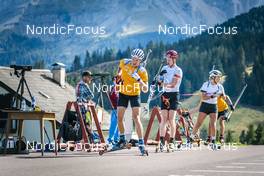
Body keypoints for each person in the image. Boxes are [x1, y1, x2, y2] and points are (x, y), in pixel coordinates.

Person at [113, 48, 149, 155]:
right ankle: (122, 139)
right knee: (119, 117)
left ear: (141, 61)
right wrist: (118, 79)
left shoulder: (142, 71)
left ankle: (141, 143)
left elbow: (145, 89)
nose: (134, 61)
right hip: (123, 93)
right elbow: (119, 72)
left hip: (134, 94)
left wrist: (139, 80)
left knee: (136, 118)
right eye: (133, 59)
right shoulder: (124, 62)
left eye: (137, 60)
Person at [190, 70, 225, 149]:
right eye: (218, 77)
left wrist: (222, 95)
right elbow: (204, 97)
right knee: (199, 123)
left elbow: (224, 97)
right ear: (213, 77)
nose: (219, 79)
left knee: (213, 124)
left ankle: (213, 142)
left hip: (213, 106)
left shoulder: (220, 86)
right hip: (205, 105)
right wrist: (213, 95)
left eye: (219, 77)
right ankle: (190, 139)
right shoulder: (206, 84)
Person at [157, 50, 182, 152]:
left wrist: (162, 84)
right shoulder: (164, 68)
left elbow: (173, 84)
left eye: (169, 58)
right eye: (167, 58)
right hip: (165, 94)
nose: (167, 60)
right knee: (164, 119)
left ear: (174, 59)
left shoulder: (178, 70)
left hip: (174, 94)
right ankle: (162, 141)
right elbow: (160, 82)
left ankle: (171, 141)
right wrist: (158, 80)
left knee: (171, 119)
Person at [76, 71, 95, 143]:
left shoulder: (78, 84)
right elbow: (91, 95)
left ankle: (78, 140)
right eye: (89, 77)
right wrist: (87, 100)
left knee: (81, 124)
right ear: (84, 77)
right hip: (84, 107)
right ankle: (91, 140)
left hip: (79, 106)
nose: (90, 79)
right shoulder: (84, 85)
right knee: (87, 123)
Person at [107, 77, 119, 145]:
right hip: (115, 108)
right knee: (114, 123)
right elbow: (114, 97)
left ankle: (116, 138)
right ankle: (111, 139)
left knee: (118, 124)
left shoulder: (117, 87)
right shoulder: (113, 87)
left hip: (118, 108)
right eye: (114, 79)